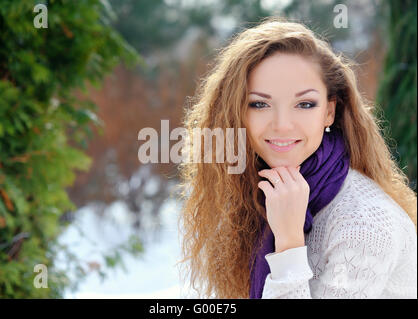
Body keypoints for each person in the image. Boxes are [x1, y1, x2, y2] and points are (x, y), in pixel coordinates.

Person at [177, 17, 417, 299]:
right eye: (259, 104)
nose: (282, 125)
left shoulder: (363, 226)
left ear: (329, 112)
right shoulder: (259, 195)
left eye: (304, 104)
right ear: (236, 113)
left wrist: (289, 243)